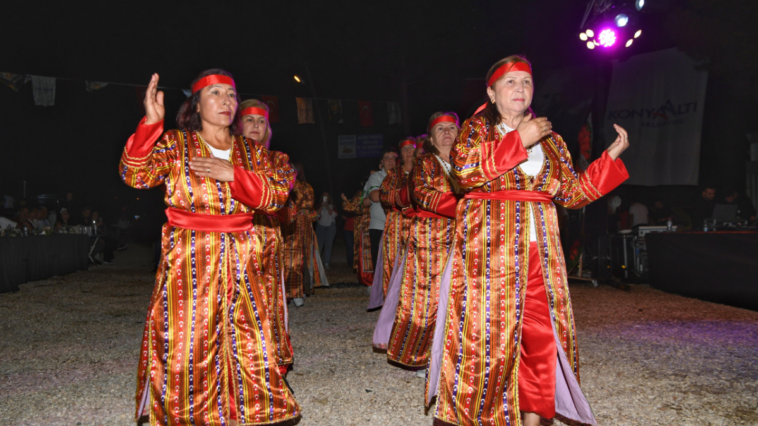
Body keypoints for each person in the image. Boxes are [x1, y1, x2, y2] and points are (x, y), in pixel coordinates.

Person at [430, 56, 629, 426]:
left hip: (543, 254)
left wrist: (609, 159)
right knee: (487, 343)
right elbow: (465, 172)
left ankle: (534, 418)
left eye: (526, 81)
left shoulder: (551, 139)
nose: (520, 88)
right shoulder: (476, 130)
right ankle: (479, 417)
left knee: (541, 341)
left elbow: (572, 193)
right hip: (490, 252)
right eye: (510, 82)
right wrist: (519, 140)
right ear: (491, 92)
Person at [119, 70, 299, 425]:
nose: (226, 101)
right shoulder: (176, 144)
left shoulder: (252, 152)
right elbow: (135, 175)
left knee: (249, 337)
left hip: (244, 254)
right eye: (215, 94)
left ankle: (252, 411)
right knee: (188, 337)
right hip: (190, 252)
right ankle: (188, 414)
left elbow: (278, 194)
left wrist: (233, 174)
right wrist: (151, 125)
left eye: (231, 95)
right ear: (197, 105)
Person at [378, 113, 461, 381]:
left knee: (459, 298)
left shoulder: (468, 162)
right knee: (426, 300)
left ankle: (455, 355)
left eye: (451, 128)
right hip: (429, 239)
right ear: (431, 136)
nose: (447, 132)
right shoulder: (424, 163)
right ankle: (422, 356)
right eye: (440, 128)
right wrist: (468, 207)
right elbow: (422, 194)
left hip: (463, 235)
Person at [238, 98, 295, 374]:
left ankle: (270, 367)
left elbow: (280, 199)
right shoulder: (222, 155)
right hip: (230, 241)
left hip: (267, 243)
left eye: (261, 121)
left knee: (267, 304)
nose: (256, 126)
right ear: (237, 124)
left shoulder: (278, 160)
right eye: (249, 119)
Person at [369, 137, 416, 309]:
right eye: (405, 149)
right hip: (396, 226)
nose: (409, 152)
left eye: (412, 148)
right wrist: (405, 196)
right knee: (394, 264)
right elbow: (383, 196)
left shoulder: (424, 170)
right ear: (400, 156)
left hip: (421, 224)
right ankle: (393, 305)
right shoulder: (393, 175)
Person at [282, 163, 327, 307]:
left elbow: (308, 204)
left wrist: (294, 190)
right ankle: (285, 293)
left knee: (302, 259)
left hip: (303, 227)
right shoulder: (281, 185)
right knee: (285, 259)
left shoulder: (306, 187)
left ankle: (299, 292)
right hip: (285, 226)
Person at [363, 148, 398, 268]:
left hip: (399, 225)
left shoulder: (403, 175)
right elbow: (374, 196)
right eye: (387, 158)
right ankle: (376, 285)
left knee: (398, 261)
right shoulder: (376, 177)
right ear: (382, 162)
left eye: (393, 158)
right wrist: (400, 193)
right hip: (379, 225)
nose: (390, 161)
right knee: (378, 260)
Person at [343, 184, 374, 286]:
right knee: (363, 251)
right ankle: (364, 276)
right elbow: (351, 208)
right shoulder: (361, 194)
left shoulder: (384, 189)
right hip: (364, 227)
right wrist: (345, 201)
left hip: (380, 225)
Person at [315, 192, 338, 269]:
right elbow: (316, 215)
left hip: (330, 228)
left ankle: (326, 263)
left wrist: (328, 207)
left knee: (328, 245)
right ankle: (317, 263)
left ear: (329, 198)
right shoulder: (318, 205)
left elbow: (334, 215)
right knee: (319, 245)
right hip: (320, 227)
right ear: (322, 197)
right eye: (324, 196)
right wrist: (321, 206)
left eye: (327, 196)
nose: (325, 197)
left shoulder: (332, 205)